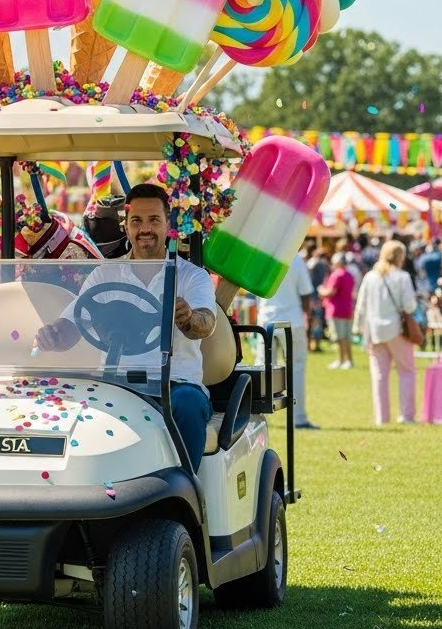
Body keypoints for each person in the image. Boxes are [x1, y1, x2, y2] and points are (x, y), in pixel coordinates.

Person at [34, 183, 216, 471]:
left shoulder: (191, 277)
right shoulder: (104, 274)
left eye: (154, 220)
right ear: (126, 226)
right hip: (118, 382)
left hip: (174, 383)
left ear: (168, 225)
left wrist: (189, 318)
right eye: (137, 221)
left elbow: (205, 324)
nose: (145, 229)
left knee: (188, 406)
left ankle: (187, 491)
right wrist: (53, 335)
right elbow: (72, 326)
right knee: (67, 409)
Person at [353, 238, 418, 425]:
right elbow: (409, 305)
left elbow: (361, 306)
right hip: (397, 330)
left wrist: (358, 329)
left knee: (380, 377)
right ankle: (406, 415)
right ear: (400, 257)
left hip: (374, 332)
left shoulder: (370, 277)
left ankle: (382, 418)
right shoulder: (402, 277)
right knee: (407, 372)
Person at [256, 252, 318, 429]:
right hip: (292, 320)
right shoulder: (295, 258)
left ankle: (258, 418)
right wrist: (309, 319)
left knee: (263, 369)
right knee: (296, 369)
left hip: (266, 319)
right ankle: (298, 417)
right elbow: (305, 293)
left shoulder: (263, 253)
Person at [319, 252, 356, 369]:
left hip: (336, 310)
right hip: (347, 309)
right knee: (346, 337)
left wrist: (321, 290)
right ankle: (348, 360)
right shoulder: (349, 275)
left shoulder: (337, 275)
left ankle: (341, 360)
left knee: (339, 338)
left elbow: (331, 292)